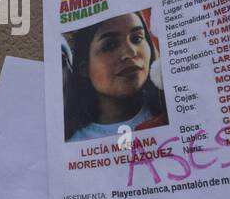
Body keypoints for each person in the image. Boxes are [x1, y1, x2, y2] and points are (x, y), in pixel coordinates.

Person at [63, 11, 168, 142]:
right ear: (84, 68)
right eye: (110, 45)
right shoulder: (75, 144)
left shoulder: (171, 113)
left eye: (137, 38)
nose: (130, 52)